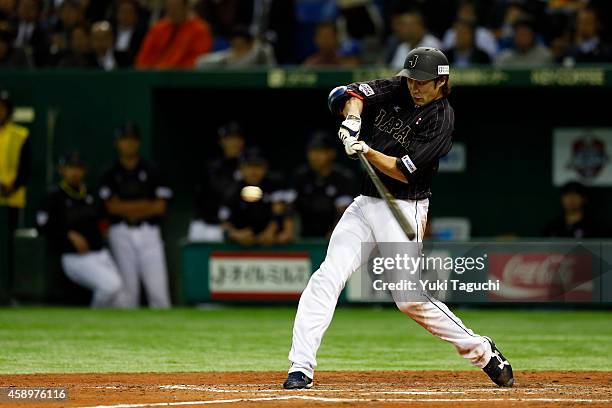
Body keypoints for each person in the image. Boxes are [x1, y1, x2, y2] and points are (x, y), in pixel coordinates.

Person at [283, 47, 513, 390]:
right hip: (365, 204)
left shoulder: (442, 119)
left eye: (423, 82)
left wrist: (366, 150)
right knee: (326, 277)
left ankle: (482, 351)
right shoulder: (398, 87)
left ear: (441, 83)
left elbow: (404, 171)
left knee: (409, 299)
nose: (414, 86)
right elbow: (347, 93)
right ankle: (301, 367)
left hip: (404, 205)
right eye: (411, 79)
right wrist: (353, 119)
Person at [36, 152, 124, 308]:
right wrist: (68, 234)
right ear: (62, 170)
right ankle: (94, 320)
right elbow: (43, 226)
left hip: (99, 253)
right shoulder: (54, 196)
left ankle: (109, 327)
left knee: (122, 298)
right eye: (70, 168)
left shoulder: (91, 193)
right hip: (74, 257)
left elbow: (104, 218)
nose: (75, 172)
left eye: (78, 168)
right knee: (111, 286)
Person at [98, 123, 172, 308]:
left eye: (131, 140)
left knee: (159, 294)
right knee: (127, 295)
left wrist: (125, 206)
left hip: (149, 232)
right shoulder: (110, 172)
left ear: (137, 143)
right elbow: (111, 208)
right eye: (124, 140)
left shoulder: (152, 169)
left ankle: (165, 333)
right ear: (117, 143)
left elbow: (160, 207)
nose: (128, 144)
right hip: (121, 232)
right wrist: (145, 204)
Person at [219, 147, 295, 246]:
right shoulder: (232, 190)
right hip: (240, 249)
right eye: (249, 166)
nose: (253, 171)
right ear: (241, 168)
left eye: (258, 166)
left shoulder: (275, 185)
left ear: (265, 168)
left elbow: (285, 212)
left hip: (273, 246)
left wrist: (272, 232)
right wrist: (237, 235)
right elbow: (224, 222)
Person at [189, 121, 245, 242]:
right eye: (229, 138)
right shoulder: (211, 167)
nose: (234, 143)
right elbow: (203, 200)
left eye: (237, 138)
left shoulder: (248, 168)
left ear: (242, 142)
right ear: (221, 141)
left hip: (234, 230)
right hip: (206, 226)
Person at [293, 131, 355, 238]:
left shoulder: (343, 178)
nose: (315, 156)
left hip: (334, 237)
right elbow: (290, 208)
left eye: (320, 151)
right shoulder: (301, 176)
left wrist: (336, 233)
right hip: (304, 237)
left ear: (331, 153)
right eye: (312, 151)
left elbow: (344, 211)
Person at [0, 88, 30, 287]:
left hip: (11, 198)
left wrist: (11, 186)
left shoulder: (20, 133)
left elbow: (25, 167)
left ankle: (7, 291)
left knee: (7, 246)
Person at [135, 0, 212, 69]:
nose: (172, 11)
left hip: (180, 77)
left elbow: (197, 60)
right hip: (154, 75)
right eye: (169, 8)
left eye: (176, 8)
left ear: (186, 8)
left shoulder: (200, 30)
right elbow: (144, 57)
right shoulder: (158, 28)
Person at [195, 25, 275, 68]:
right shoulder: (226, 57)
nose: (238, 49)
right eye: (236, 45)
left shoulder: (260, 54)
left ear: (250, 44)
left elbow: (271, 69)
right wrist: (228, 59)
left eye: (241, 45)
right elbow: (200, 62)